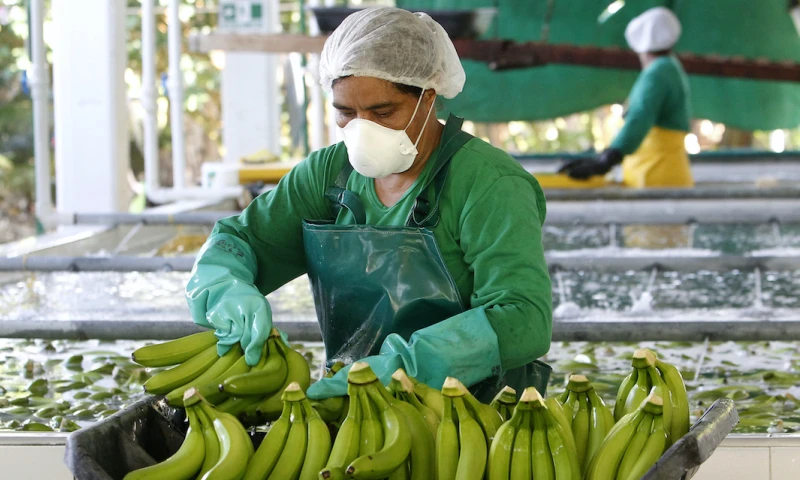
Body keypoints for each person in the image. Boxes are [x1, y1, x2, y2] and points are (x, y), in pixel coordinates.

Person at [185, 7, 553, 401]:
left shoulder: (488, 183)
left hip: (476, 413)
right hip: (350, 402)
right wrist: (225, 286)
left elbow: (523, 317)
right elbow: (244, 241)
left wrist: (405, 368)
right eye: (346, 112)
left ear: (427, 97)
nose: (362, 127)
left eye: (382, 112)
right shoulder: (327, 174)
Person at [559, 7, 694, 188]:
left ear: (641, 46)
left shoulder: (657, 73)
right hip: (665, 171)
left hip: (656, 173)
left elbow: (639, 118)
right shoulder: (670, 66)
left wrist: (609, 158)